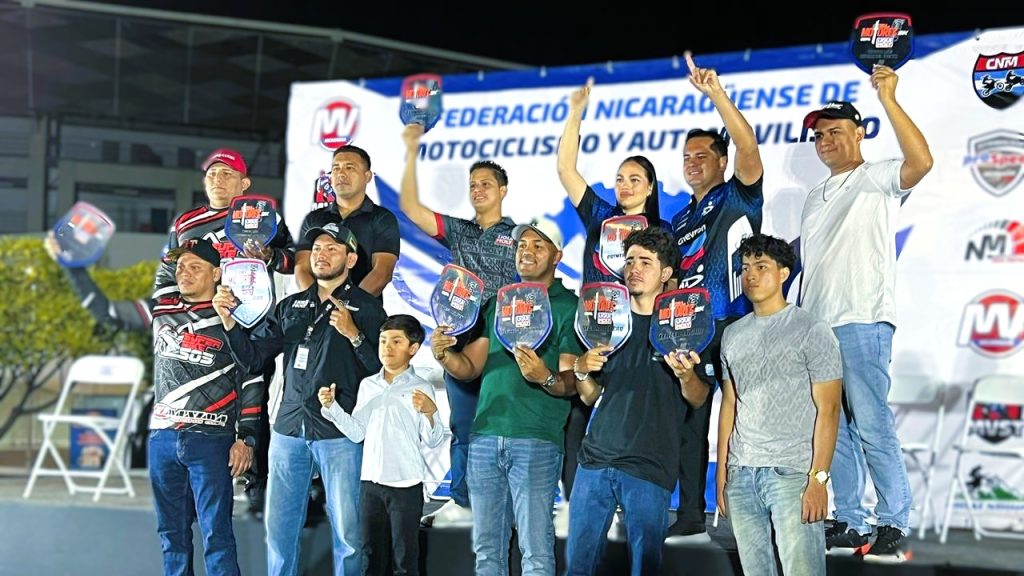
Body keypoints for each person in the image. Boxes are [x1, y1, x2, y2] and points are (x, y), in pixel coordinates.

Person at [47, 235, 262, 576]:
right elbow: (105, 311)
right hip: (162, 437)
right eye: (180, 267)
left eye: (195, 267)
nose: (184, 273)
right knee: (171, 535)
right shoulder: (161, 309)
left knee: (217, 535)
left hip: (211, 439)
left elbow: (252, 377)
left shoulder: (236, 315)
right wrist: (73, 268)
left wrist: (246, 438)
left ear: (217, 273)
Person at [800, 64, 933, 562]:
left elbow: (921, 161)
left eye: (836, 131)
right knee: (832, 427)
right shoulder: (813, 197)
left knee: (873, 424)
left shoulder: (877, 177)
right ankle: (853, 519)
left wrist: (888, 98)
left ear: (860, 133)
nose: (826, 140)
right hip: (817, 326)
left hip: (862, 317)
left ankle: (894, 520)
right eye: (819, 135)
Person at [214, 221, 387, 576]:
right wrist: (229, 322)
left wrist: (354, 336)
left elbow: (381, 375)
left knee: (349, 534)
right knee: (279, 531)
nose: (322, 255)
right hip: (289, 429)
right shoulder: (291, 305)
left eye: (333, 249)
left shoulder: (368, 309)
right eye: (317, 249)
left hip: (340, 432)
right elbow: (253, 359)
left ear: (351, 259)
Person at [430, 218, 580, 576]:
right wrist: (444, 355)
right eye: (522, 245)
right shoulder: (499, 302)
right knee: (487, 550)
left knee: (535, 549)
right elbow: (470, 367)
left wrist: (544, 377)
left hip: (535, 437)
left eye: (538, 246)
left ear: (557, 257)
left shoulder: (569, 306)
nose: (527, 251)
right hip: (484, 436)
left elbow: (573, 381)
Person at [153, 147, 295, 517]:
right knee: (203, 402)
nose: (218, 179)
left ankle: (256, 484)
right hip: (204, 324)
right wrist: (169, 311)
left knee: (254, 399)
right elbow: (167, 271)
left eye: (227, 174)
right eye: (212, 174)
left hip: (252, 320)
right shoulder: (186, 222)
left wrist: (270, 256)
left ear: (244, 183)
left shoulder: (263, 215)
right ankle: (193, 483)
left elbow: (294, 259)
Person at [556, 78, 670, 530]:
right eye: (620, 178)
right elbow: (566, 169)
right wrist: (575, 113)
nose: (625, 185)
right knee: (577, 414)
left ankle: (632, 504)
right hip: (593, 328)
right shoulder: (600, 215)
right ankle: (580, 505)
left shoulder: (661, 231)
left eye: (634, 179)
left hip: (638, 333)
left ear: (650, 186)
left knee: (630, 415)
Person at [566, 227, 709, 576]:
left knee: (645, 569)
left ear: (666, 273)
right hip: (595, 462)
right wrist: (581, 370)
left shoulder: (684, 327)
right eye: (629, 261)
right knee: (577, 569)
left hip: (649, 467)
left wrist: (685, 375)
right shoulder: (608, 325)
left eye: (646, 262)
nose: (634, 268)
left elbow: (699, 397)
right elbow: (591, 396)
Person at [399, 123, 519, 526]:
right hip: (460, 338)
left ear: (503, 190)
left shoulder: (520, 236)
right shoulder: (460, 231)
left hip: (502, 344)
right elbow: (411, 207)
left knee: (504, 426)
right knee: (464, 424)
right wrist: (411, 149)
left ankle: (508, 503)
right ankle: (463, 501)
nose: (478, 190)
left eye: (486, 184)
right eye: (473, 185)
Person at [668, 52, 765, 541]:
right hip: (691, 331)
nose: (693, 162)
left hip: (738, 322)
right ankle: (690, 514)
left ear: (722, 162)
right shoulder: (680, 219)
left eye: (702, 155)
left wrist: (716, 95)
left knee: (745, 421)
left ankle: (744, 513)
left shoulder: (738, 194)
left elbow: (748, 146)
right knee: (691, 422)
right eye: (687, 157)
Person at [716, 234, 843, 576]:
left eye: (761, 266)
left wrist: (818, 479)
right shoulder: (732, 335)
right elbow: (730, 405)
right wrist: (723, 474)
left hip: (792, 474)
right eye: (745, 268)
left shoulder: (812, 329)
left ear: (784, 273)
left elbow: (829, 410)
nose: (751, 275)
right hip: (742, 473)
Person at [317, 314, 445, 576]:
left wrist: (430, 412)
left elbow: (433, 440)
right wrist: (332, 408)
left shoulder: (421, 387)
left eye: (397, 341)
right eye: (383, 340)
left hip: (406, 483)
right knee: (370, 556)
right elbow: (356, 433)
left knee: (405, 559)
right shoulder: (368, 385)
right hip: (371, 483)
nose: (387, 347)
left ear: (413, 348)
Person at [294, 145, 400, 298]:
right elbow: (302, 268)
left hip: (364, 311)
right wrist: (316, 304)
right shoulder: (313, 219)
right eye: (336, 168)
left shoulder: (382, 218)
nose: (341, 174)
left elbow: (382, 272)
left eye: (349, 168)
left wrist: (348, 306)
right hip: (316, 309)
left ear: (367, 176)